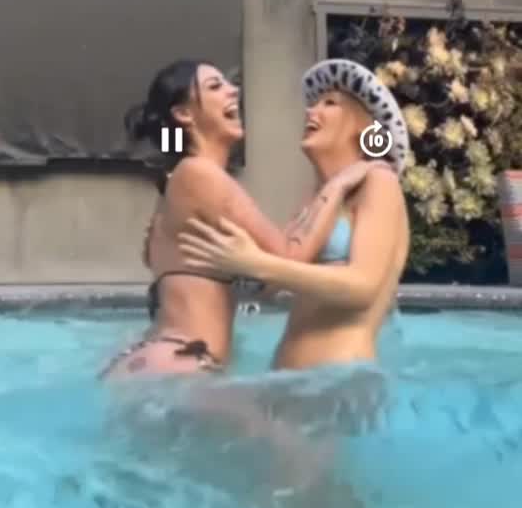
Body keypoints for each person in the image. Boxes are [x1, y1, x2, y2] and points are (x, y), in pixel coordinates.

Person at [101, 58, 371, 380]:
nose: (234, 90)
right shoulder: (200, 175)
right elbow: (290, 257)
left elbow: (268, 273)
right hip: (183, 361)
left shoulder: (179, 182)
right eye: (215, 86)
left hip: (161, 357)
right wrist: (337, 185)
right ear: (184, 114)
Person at [177, 58, 411, 374]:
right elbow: (267, 286)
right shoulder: (314, 200)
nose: (311, 112)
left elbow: (363, 286)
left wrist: (255, 263)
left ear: (364, 129)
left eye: (330, 104)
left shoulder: (379, 182)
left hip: (340, 377)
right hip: (288, 378)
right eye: (313, 104)